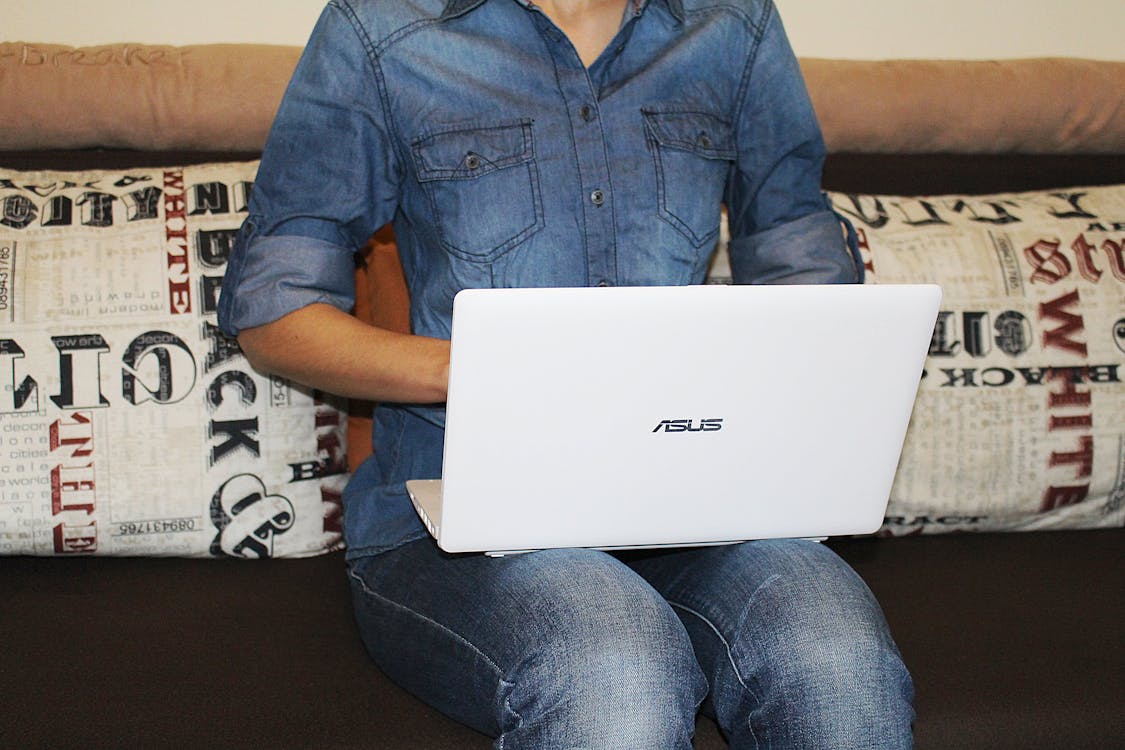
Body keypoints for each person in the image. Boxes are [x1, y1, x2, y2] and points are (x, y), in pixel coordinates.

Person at [218, 0, 916, 747]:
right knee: (613, 670)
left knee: (839, 659)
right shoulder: (380, 27)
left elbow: (798, 253)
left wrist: (764, 372)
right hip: (454, 518)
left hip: (695, 508)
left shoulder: (733, 25)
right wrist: (494, 371)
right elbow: (274, 313)